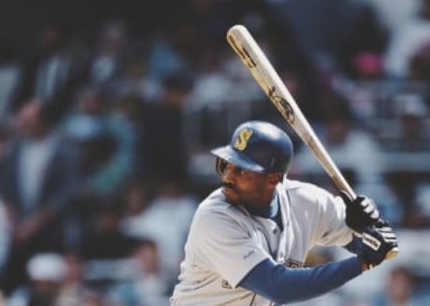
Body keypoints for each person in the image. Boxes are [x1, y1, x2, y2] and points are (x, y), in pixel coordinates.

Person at [170, 120, 398, 305]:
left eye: (241, 170)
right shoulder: (214, 217)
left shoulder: (307, 202)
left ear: (273, 178)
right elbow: (278, 288)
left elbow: (366, 241)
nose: (228, 176)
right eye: (227, 165)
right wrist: (362, 263)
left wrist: (368, 225)